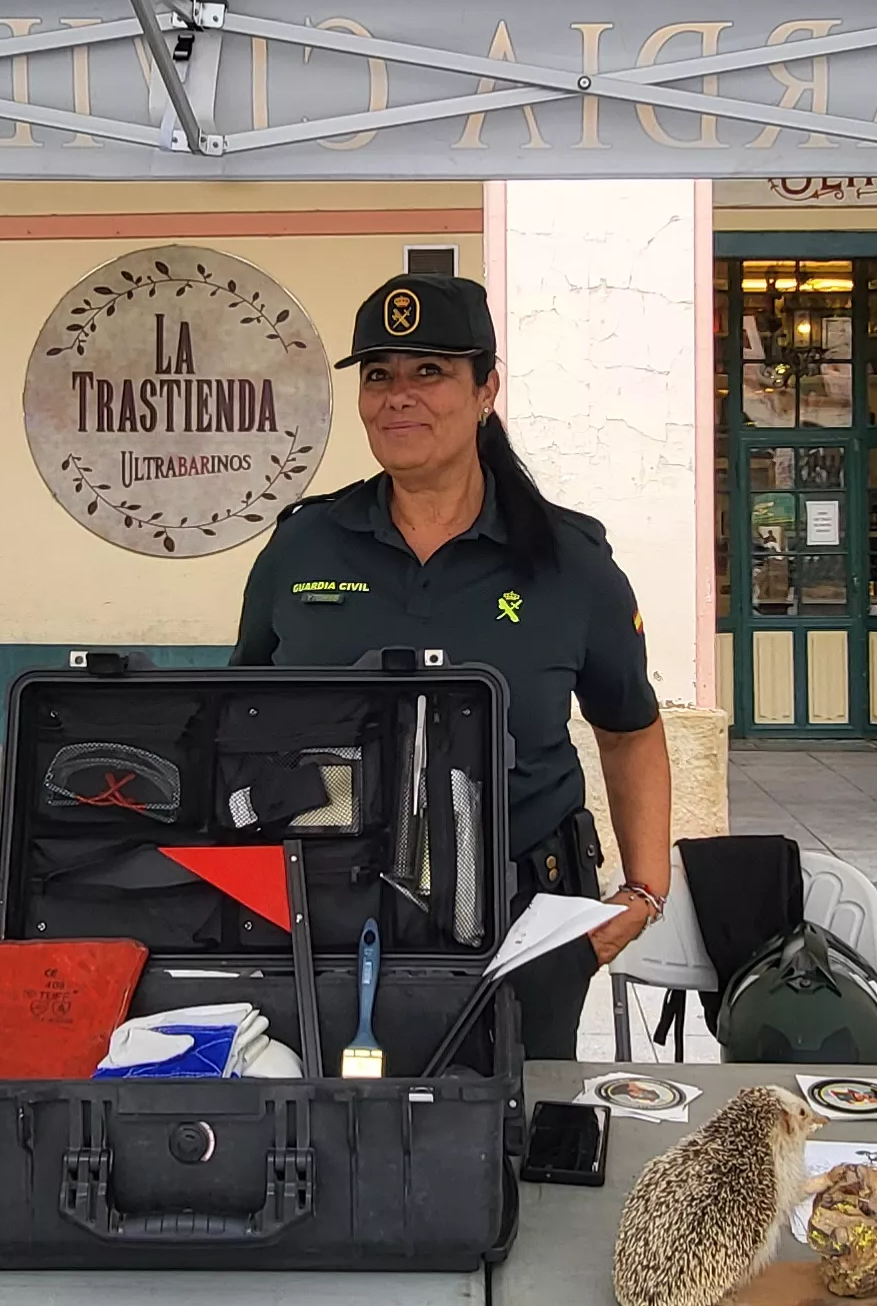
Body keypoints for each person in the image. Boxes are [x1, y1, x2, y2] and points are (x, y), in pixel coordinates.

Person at [232, 273, 671, 1062]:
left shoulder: (569, 564)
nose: (398, 396)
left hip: (523, 911)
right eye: (379, 376)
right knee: (339, 1140)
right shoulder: (301, 548)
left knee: (516, 1139)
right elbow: (241, 719)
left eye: (429, 371)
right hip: (330, 906)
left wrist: (643, 892)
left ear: (486, 389)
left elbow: (630, 729)